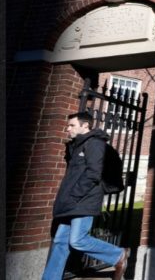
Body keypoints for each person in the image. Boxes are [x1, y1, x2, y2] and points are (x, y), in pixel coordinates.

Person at [42, 112, 129, 280]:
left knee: (77, 240)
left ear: (85, 125)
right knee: (60, 242)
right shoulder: (76, 146)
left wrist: (74, 195)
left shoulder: (95, 143)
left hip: (83, 199)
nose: (68, 129)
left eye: (72, 125)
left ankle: (118, 255)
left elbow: (93, 174)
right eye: (68, 125)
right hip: (71, 201)